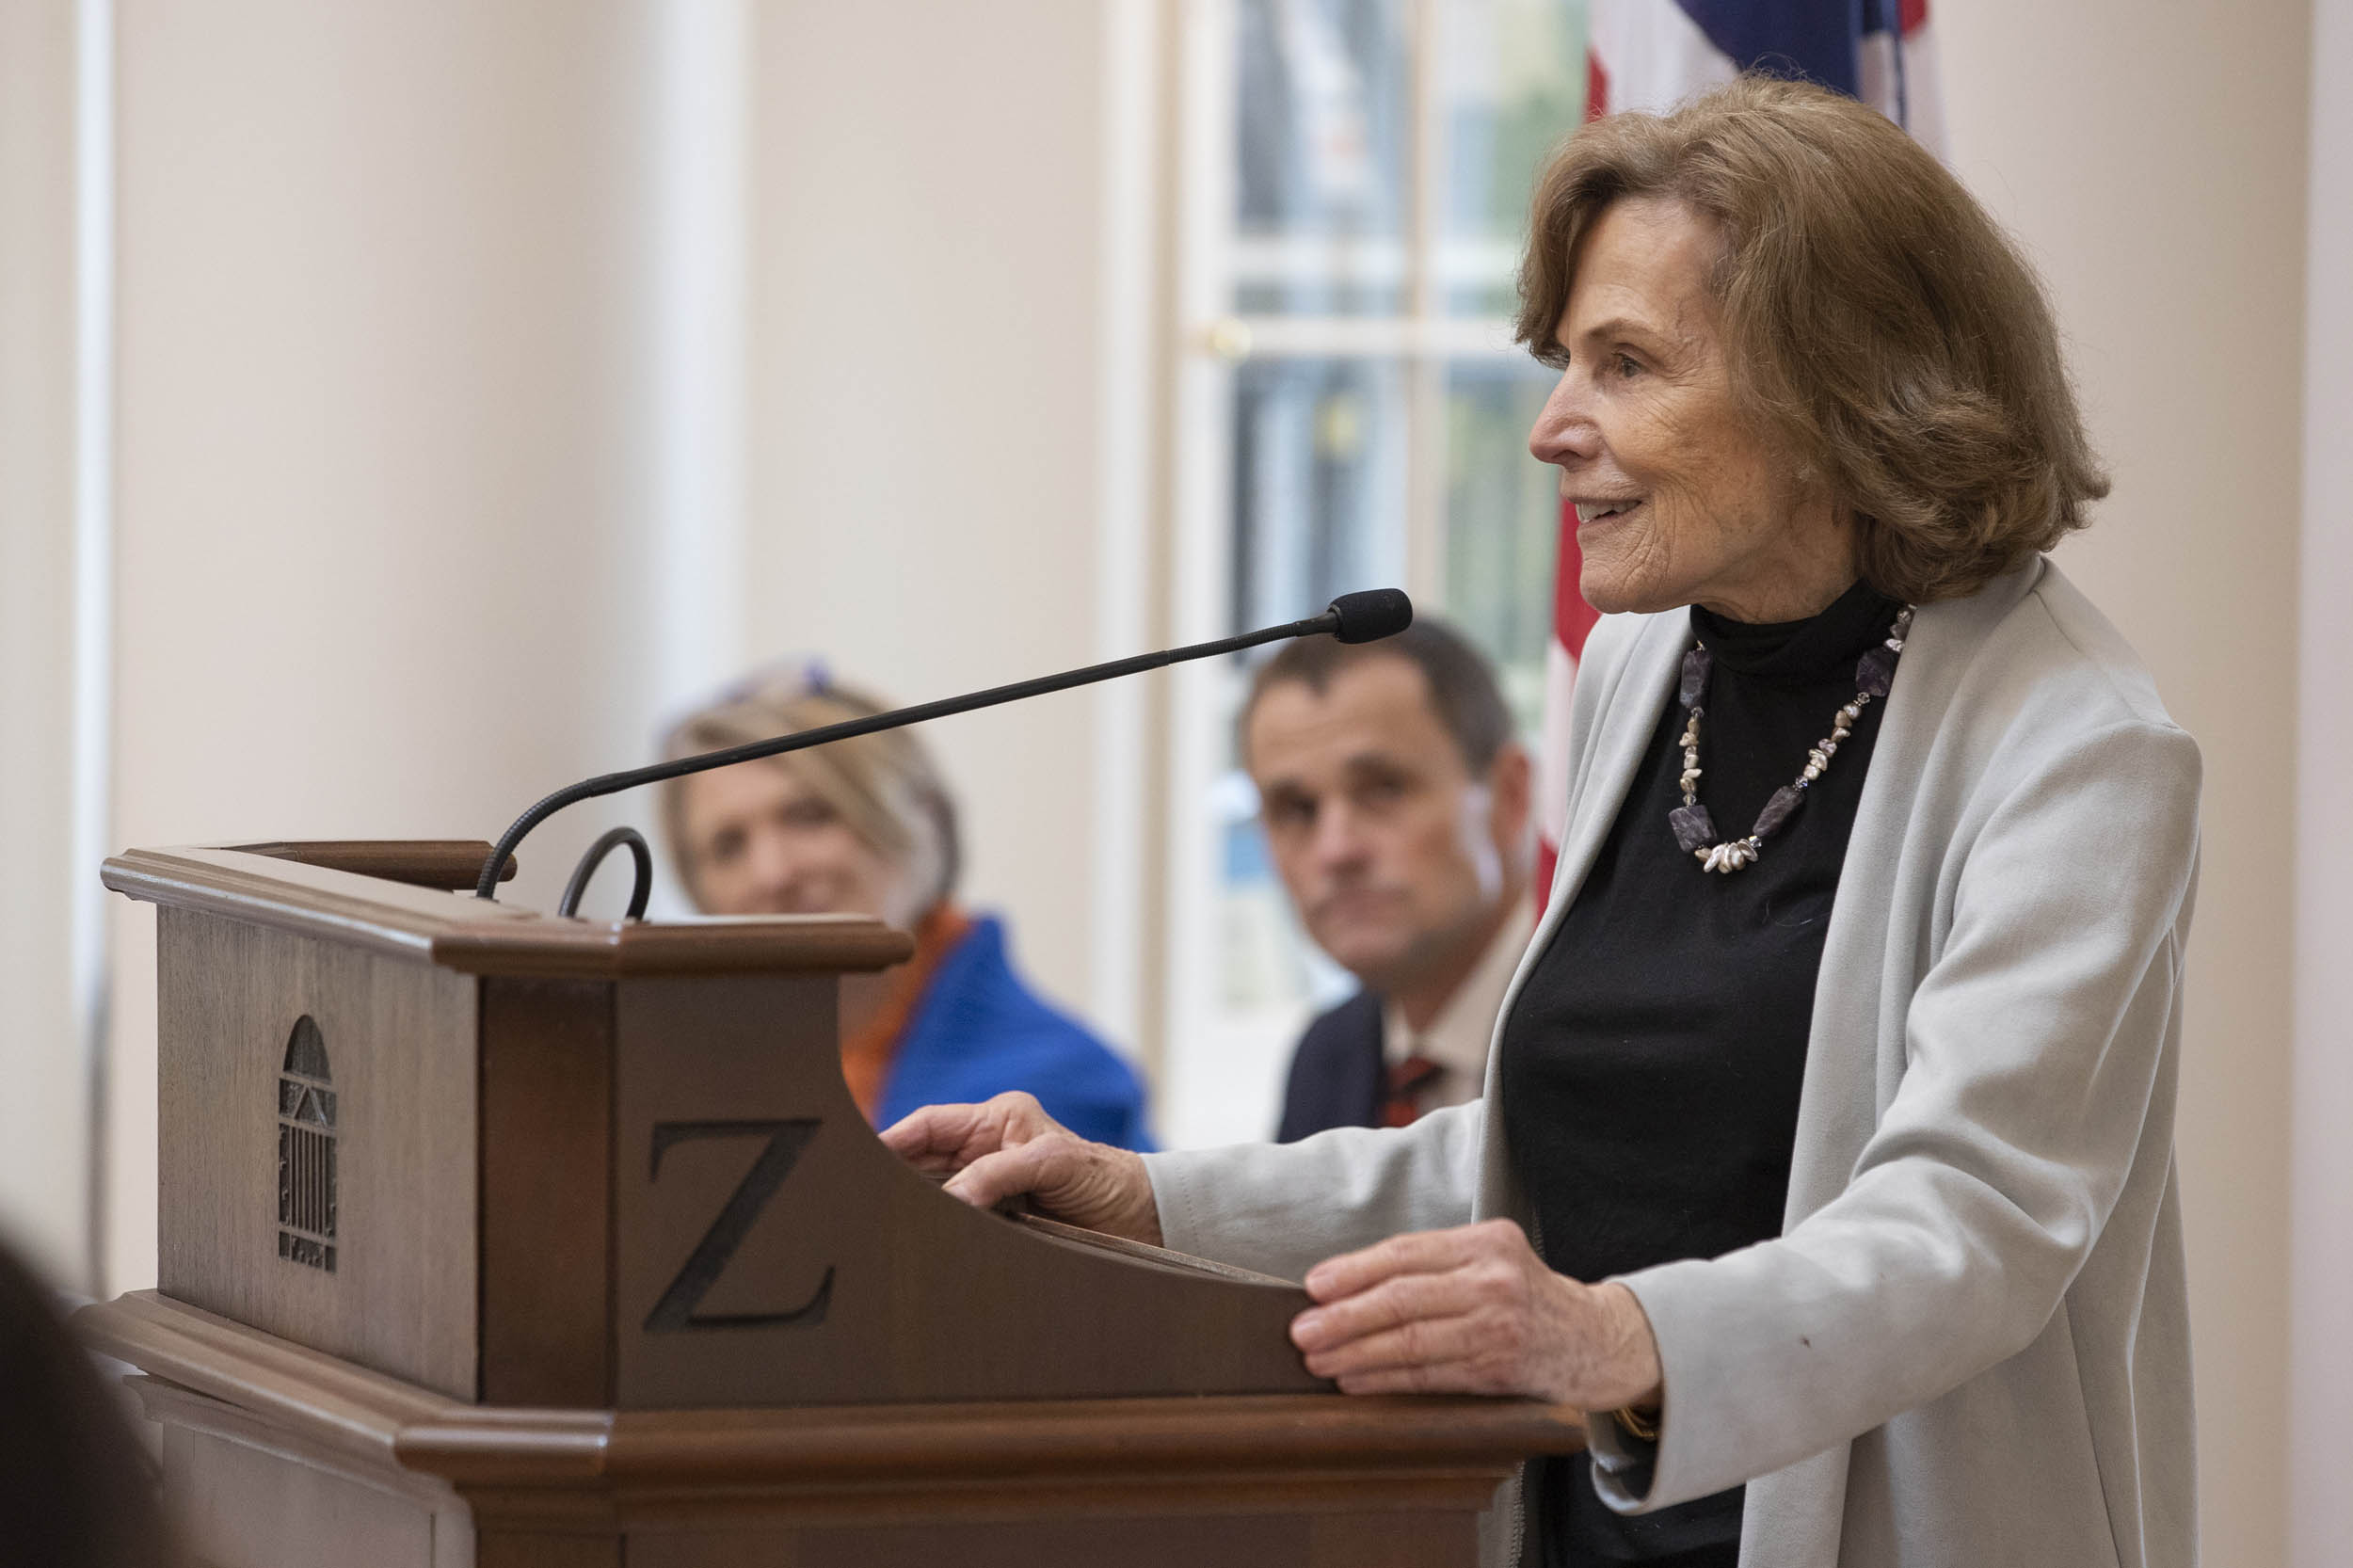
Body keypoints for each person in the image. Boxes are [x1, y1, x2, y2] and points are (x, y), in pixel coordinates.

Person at [883, 76, 2200, 1568]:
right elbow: (1560, 1147)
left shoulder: (2077, 748)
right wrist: (1151, 1201)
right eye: (1565, 361)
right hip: (1581, 1522)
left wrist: (1610, 1333)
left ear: (1842, 389)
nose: (1553, 427)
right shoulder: (1651, 663)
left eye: (1627, 365)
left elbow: (1975, 1226)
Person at [660, 664, 1152, 1150]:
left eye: (809, 816)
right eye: (728, 846)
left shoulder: (1057, 1091)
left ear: (927, 822)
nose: (773, 873)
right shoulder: (682, 1081)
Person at [1240, 620, 1535, 1139]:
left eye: (1383, 790)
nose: (1336, 850)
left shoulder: (1620, 1037)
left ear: (1509, 796)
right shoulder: (1327, 1058)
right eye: (1297, 809)